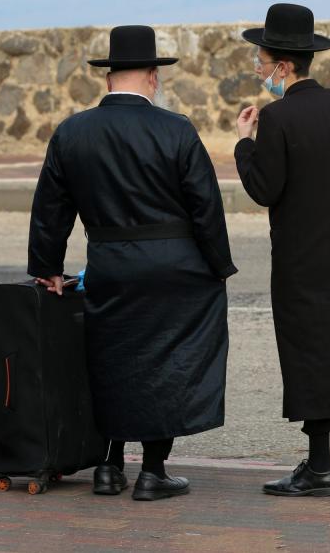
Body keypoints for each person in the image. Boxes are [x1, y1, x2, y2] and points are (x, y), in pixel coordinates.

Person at [28, 25, 237, 501]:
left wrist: (48, 268)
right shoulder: (177, 129)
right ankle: (154, 471)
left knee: (110, 359)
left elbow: (50, 210)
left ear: (107, 79)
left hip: (109, 262)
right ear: (152, 77)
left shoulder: (71, 132)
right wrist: (218, 265)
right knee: (167, 360)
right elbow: (206, 206)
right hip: (176, 268)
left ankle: (109, 466)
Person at [234, 3, 330, 496]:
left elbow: (265, 189)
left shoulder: (277, 119)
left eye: (261, 62)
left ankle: (319, 465)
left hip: (299, 262)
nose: (258, 71)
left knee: (307, 354)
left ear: (283, 65)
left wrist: (244, 143)